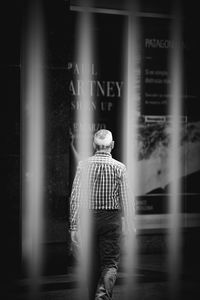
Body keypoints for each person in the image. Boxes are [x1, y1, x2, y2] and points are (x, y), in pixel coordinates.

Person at [69, 129, 131, 300]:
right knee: (110, 262)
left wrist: (73, 226)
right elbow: (126, 200)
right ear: (112, 145)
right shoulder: (120, 168)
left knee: (92, 264)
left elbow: (75, 197)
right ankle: (102, 297)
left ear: (93, 145)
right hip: (112, 220)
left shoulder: (83, 165)